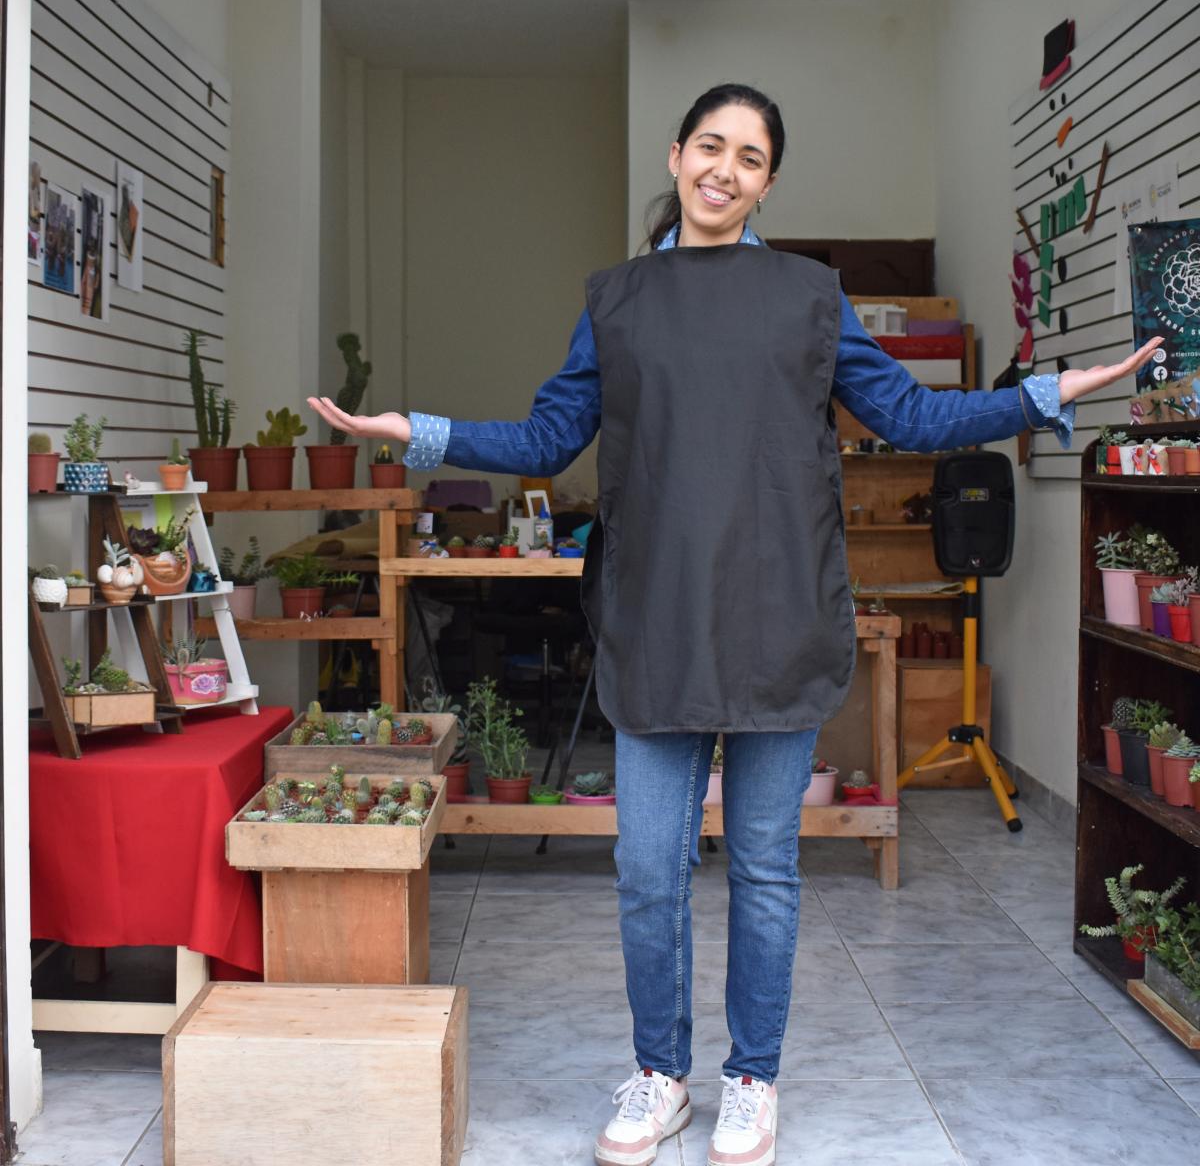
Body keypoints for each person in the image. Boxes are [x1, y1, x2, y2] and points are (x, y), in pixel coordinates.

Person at [309, 83, 1161, 1166]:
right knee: (647, 872)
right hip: (656, 622)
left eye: (751, 157)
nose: (726, 168)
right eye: (710, 145)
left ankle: (752, 1080)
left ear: (767, 182)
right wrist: (417, 432)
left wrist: (1041, 396)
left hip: (778, 617)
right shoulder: (615, 302)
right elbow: (548, 437)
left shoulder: (810, 296)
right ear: (675, 156)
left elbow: (908, 415)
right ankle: (661, 1076)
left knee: (764, 870)